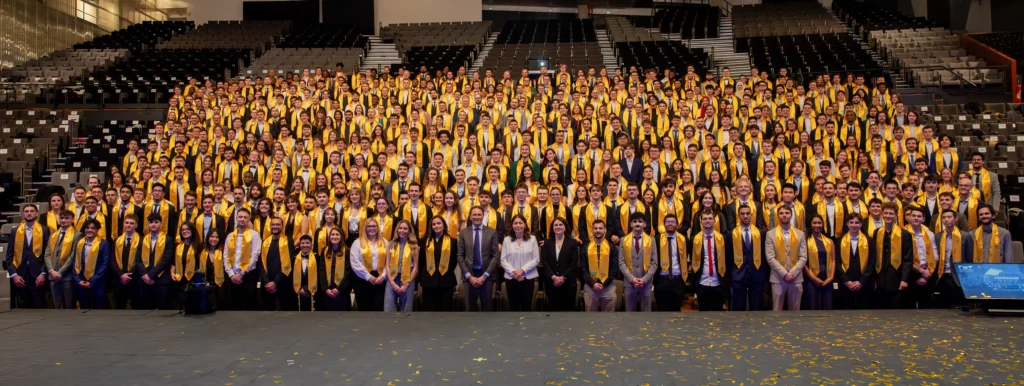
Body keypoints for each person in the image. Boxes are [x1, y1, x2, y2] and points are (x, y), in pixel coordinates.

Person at [457, 206, 501, 311]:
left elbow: (495, 256)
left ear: (483, 215)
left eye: (479, 214)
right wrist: (469, 276)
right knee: (470, 309)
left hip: (486, 275)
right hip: (469, 276)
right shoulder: (463, 233)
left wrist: (485, 275)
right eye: (474, 215)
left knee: (487, 308)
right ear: (470, 217)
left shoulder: (491, 232)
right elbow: (460, 256)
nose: (477, 217)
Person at [6, 204, 49, 308]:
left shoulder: (44, 230)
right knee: (22, 309)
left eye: (32, 211)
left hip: (38, 275)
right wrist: (14, 275)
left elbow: (47, 254)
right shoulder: (15, 231)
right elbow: (9, 255)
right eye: (26, 211)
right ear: (22, 213)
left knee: (39, 306)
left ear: (36, 213)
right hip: (20, 275)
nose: (29, 213)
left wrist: (43, 273)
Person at [765, 206, 807, 311]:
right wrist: (784, 273)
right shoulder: (770, 234)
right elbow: (770, 258)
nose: (784, 215)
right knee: (777, 311)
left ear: (791, 215)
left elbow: (803, 257)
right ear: (778, 216)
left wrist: (792, 273)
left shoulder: (800, 234)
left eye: (787, 213)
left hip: (796, 278)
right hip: (778, 278)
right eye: (782, 213)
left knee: (795, 311)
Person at [727, 205, 768, 311]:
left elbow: (764, 256)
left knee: (756, 307)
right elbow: (729, 256)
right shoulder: (731, 234)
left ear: (751, 215)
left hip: (757, 274)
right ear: (738, 216)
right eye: (742, 214)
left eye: (747, 213)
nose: (745, 216)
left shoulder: (761, 233)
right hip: (738, 274)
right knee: (738, 308)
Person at [873, 203, 913, 309]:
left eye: (891, 213)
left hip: (897, 278)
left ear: (896, 215)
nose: (888, 216)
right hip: (881, 278)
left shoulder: (905, 234)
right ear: (881, 214)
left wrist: (904, 280)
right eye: (885, 213)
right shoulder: (877, 233)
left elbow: (908, 259)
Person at [223, 208, 263, 310]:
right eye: (240, 217)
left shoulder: (254, 235)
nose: (242, 219)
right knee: (232, 305)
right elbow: (225, 256)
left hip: (248, 275)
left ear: (249, 219)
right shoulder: (230, 236)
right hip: (232, 276)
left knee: (248, 306)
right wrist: (231, 275)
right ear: (236, 218)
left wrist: (241, 274)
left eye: (245, 217)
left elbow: (255, 256)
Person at [618, 212, 658, 312]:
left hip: (646, 283)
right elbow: (621, 263)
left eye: (640, 221)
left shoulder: (651, 240)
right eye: (635, 221)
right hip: (629, 283)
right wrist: (632, 279)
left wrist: (644, 279)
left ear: (644, 224)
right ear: (631, 224)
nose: (637, 224)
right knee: (630, 314)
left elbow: (654, 263)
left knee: (646, 314)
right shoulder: (623, 240)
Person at [501, 214, 541, 311]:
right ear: (512, 225)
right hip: (511, 278)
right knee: (513, 307)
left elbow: (536, 259)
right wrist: (514, 273)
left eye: (520, 223)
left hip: (527, 277)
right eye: (515, 223)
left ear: (525, 225)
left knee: (526, 307)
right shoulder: (507, 240)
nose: (518, 225)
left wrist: (522, 271)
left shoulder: (532, 239)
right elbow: (503, 260)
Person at [691, 210, 728, 311]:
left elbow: (728, 260)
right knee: (703, 314)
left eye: (710, 218)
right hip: (702, 282)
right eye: (705, 219)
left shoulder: (723, 238)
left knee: (718, 315)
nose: (708, 221)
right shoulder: (694, 239)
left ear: (715, 220)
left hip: (718, 282)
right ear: (701, 221)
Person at [419, 216, 458, 311]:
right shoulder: (424, 241)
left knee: (445, 309)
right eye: (434, 224)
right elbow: (421, 261)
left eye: (439, 223)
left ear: (444, 225)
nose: (436, 226)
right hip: (429, 280)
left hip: (446, 280)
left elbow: (454, 261)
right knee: (429, 309)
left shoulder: (453, 242)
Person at [836, 216, 875, 310]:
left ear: (861, 224)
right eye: (851, 222)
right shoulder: (839, 241)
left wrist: (861, 282)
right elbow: (837, 262)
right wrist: (846, 281)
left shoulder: (869, 241)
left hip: (864, 283)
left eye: (857, 222)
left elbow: (871, 263)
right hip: (846, 284)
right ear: (847, 224)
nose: (854, 225)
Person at [350, 217, 389, 311]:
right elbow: (355, 263)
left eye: (374, 226)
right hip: (362, 279)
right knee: (365, 308)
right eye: (369, 226)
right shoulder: (357, 242)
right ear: (365, 228)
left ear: (378, 227)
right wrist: (368, 277)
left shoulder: (385, 242)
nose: (372, 228)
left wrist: (383, 276)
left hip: (380, 278)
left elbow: (389, 262)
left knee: (378, 307)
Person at [935, 209, 971, 308]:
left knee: (961, 306)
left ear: (955, 219)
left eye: (949, 217)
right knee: (944, 307)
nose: (946, 220)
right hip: (943, 275)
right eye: (944, 217)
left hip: (959, 276)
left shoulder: (965, 236)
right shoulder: (938, 236)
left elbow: (969, 258)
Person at [541, 217, 579, 311]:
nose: (558, 227)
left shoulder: (572, 243)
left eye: (561, 224)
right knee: (553, 312)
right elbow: (545, 262)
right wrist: (554, 277)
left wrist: (562, 278)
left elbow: (574, 263)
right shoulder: (546, 243)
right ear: (552, 228)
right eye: (556, 225)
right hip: (551, 283)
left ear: (565, 227)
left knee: (568, 312)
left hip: (568, 283)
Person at [581, 220, 618, 312]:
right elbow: (583, 269)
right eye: (595, 228)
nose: (598, 230)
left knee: (609, 319)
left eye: (600, 228)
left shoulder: (612, 247)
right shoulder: (585, 247)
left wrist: (604, 284)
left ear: (605, 230)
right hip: (590, 286)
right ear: (592, 230)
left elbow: (614, 269)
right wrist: (593, 284)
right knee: (590, 319)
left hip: (608, 286)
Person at [44, 210, 78, 309]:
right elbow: (47, 254)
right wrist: (51, 271)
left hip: (67, 276)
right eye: (61, 218)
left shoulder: (77, 235)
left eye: (67, 218)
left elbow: (73, 256)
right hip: (53, 276)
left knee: (69, 305)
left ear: (72, 220)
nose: (63, 220)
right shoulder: (53, 235)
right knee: (57, 305)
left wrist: (60, 272)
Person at [905, 206, 938, 309]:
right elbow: (904, 257)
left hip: (927, 274)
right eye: (913, 215)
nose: (916, 218)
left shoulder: (930, 234)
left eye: (919, 216)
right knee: (909, 307)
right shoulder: (902, 233)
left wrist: (925, 274)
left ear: (923, 219)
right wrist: (920, 271)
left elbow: (935, 256)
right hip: (910, 273)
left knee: (926, 307)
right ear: (909, 217)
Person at [138, 213, 173, 310]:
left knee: (162, 310)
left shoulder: (168, 240)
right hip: (145, 280)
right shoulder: (142, 239)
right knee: (145, 310)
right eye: (151, 222)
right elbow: (138, 260)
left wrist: (151, 275)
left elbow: (166, 260)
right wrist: (146, 275)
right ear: (148, 224)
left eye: (156, 222)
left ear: (161, 224)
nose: (153, 224)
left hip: (161, 280)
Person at [653, 213, 687, 311]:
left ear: (677, 225)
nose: (670, 224)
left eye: (673, 222)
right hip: (661, 280)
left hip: (677, 280)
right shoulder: (657, 239)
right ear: (664, 224)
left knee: (676, 311)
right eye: (668, 222)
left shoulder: (684, 239)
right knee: (662, 311)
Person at [260, 217, 294, 311]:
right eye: (273, 224)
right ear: (270, 226)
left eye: (278, 224)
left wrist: (275, 282)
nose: (275, 226)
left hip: (282, 282)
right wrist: (267, 282)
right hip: (267, 284)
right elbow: (261, 263)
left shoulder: (288, 241)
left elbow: (288, 263)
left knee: (285, 311)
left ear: (282, 226)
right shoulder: (265, 242)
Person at [802, 215, 836, 310]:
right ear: (810, 225)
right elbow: (803, 262)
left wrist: (831, 277)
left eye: (819, 223)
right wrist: (813, 278)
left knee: (827, 307)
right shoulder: (805, 241)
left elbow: (833, 260)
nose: (817, 225)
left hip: (827, 278)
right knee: (813, 307)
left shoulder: (830, 241)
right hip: (811, 279)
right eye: (814, 223)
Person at [74, 218, 109, 309]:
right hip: (82, 281)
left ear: (97, 230)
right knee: (84, 309)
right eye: (87, 228)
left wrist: (93, 281)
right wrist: (78, 280)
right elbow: (74, 262)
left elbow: (105, 264)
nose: (89, 230)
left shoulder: (104, 244)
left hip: (97, 282)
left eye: (93, 228)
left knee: (98, 310)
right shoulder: (79, 243)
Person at [320, 228, 353, 311]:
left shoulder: (347, 251)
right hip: (328, 289)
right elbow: (322, 271)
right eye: (332, 234)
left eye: (337, 234)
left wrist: (339, 289)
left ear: (341, 237)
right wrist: (326, 289)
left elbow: (348, 272)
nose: (334, 236)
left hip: (342, 290)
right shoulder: (324, 251)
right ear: (329, 236)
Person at [172, 222, 202, 308]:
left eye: (187, 229)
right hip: (180, 278)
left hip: (193, 279)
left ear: (192, 230)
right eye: (183, 230)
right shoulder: (178, 246)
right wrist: (172, 272)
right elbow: (174, 262)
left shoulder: (199, 246)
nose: (185, 231)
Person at [294, 235, 325, 311]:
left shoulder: (317, 258)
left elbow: (320, 276)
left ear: (311, 244)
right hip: (298, 291)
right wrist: (300, 289)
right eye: (302, 243)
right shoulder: (294, 258)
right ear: (299, 244)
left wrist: (307, 289)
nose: (305, 245)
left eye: (307, 243)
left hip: (314, 292)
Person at [202, 228, 226, 310]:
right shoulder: (202, 252)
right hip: (207, 285)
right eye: (212, 236)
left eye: (217, 237)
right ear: (208, 237)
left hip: (221, 285)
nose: (214, 239)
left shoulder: (223, 251)